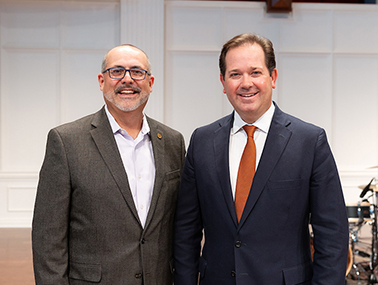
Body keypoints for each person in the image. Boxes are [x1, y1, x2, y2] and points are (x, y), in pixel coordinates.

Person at [173, 33, 349, 285]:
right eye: (235, 74)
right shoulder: (202, 141)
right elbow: (185, 232)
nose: (246, 83)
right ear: (223, 83)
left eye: (255, 72)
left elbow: (332, 233)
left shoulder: (309, 141)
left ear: (273, 77)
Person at [32, 44, 185, 285]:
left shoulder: (173, 142)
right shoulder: (66, 141)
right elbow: (48, 237)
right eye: (116, 72)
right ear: (102, 81)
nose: (127, 79)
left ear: (150, 82)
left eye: (137, 72)